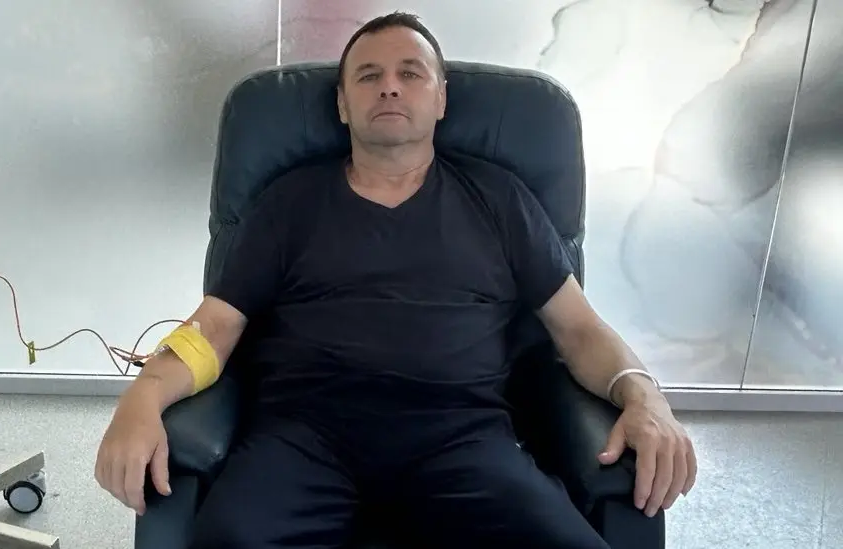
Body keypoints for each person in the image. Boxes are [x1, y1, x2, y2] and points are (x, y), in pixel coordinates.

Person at [95, 11, 698, 548]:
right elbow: (215, 327)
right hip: (305, 436)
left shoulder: (500, 199)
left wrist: (644, 396)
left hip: (463, 437)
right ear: (341, 105)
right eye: (368, 75)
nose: (389, 85)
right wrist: (144, 396)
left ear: (441, 98)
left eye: (411, 73)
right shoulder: (288, 202)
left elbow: (579, 330)